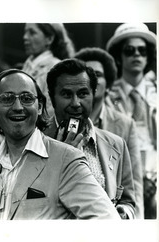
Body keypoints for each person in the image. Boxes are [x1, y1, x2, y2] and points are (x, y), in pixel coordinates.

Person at [0, 69, 121, 220]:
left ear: (39, 107)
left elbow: (107, 219)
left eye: (26, 98)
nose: (18, 107)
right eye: (7, 98)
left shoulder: (66, 159)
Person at [45, 59, 136, 219]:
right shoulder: (35, 141)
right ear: (52, 98)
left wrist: (122, 214)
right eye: (66, 94)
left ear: (93, 95)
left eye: (82, 94)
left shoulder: (116, 144)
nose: (75, 103)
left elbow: (128, 201)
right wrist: (59, 160)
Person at [74, 47, 144, 218]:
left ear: (109, 83)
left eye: (97, 74)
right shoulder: (63, 120)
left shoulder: (125, 125)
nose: (91, 80)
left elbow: (134, 185)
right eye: (86, 74)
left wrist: (129, 217)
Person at [106, 23, 157, 218]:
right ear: (119, 57)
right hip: (125, 180)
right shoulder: (110, 97)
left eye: (142, 51)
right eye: (129, 50)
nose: (137, 55)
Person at [22, 23, 75, 118]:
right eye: (25, 32)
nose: (25, 37)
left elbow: (52, 110)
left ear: (49, 39)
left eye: (32, 33)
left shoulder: (57, 68)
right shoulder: (28, 66)